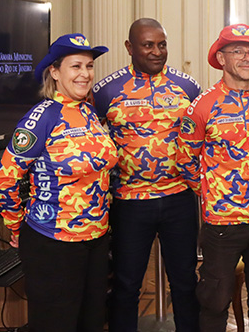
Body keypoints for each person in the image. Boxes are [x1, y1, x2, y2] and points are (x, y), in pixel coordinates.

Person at [0, 34, 117, 332]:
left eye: (89, 66)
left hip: (96, 239)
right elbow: (4, 177)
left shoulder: (88, 112)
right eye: (75, 66)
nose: (85, 74)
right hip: (53, 242)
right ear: (55, 72)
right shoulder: (43, 117)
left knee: (92, 321)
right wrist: (15, 226)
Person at [92, 18, 201, 332]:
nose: (157, 52)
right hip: (129, 203)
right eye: (148, 45)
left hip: (179, 199)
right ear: (130, 47)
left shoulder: (187, 87)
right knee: (127, 285)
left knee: (184, 281)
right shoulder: (105, 91)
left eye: (162, 44)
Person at [177, 23, 249, 332]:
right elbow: (186, 161)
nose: (247, 57)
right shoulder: (202, 106)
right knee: (215, 301)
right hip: (222, 224)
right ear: (220, 58)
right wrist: (216, 192)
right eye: (238, 51)